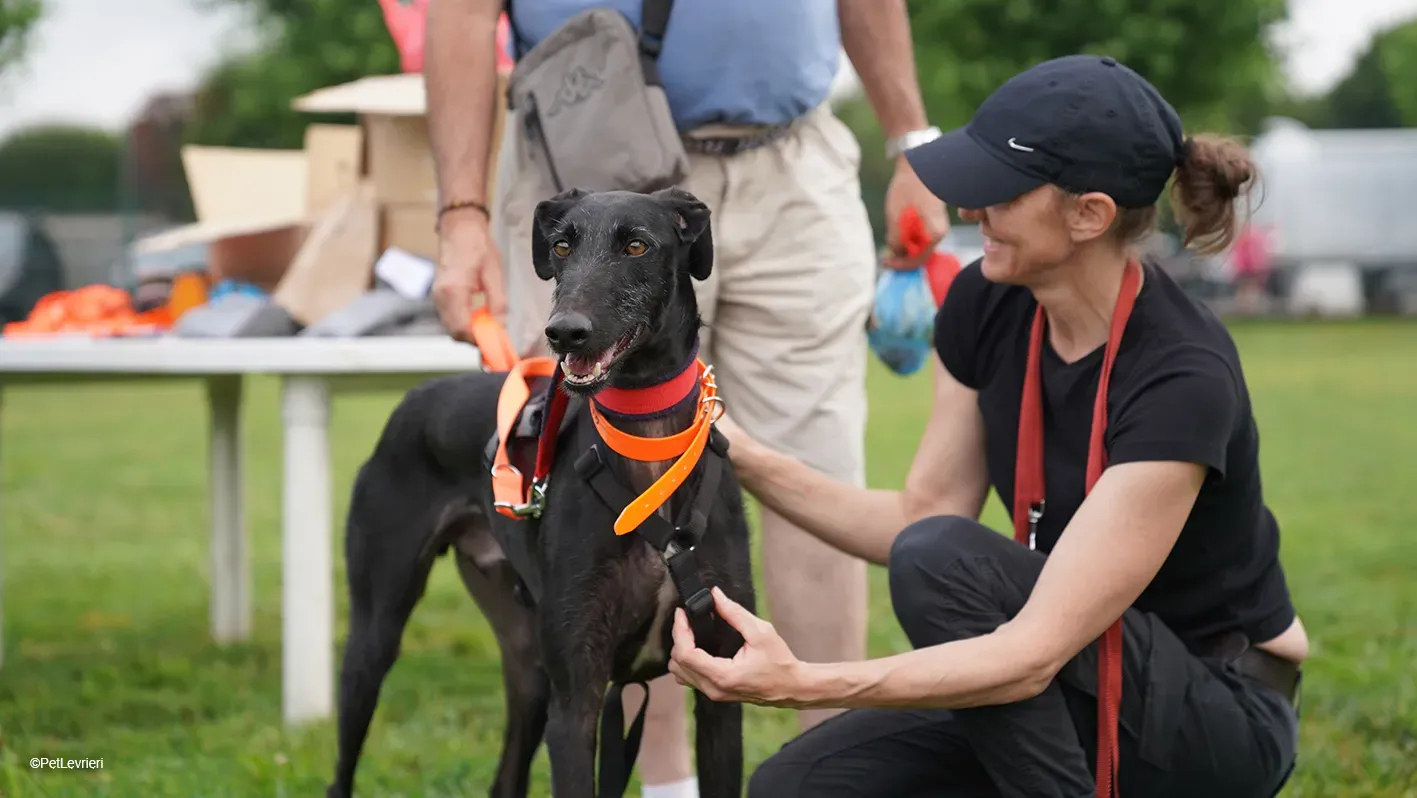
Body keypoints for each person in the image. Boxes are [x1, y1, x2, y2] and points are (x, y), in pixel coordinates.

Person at [668, 54, 1309, 797]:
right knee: (803, 783)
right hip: (1068, 686)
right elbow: (920, 515)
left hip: (1214, 714)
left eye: (997, 191)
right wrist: (727, 449)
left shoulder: (1182, 375)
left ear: (1088, 214)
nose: (972, 211)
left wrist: (802, 681)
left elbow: (1029, 649)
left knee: (940, 560)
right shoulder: (989, 300)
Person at [422, 2, 948, 795]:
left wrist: (912, 143)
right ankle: (667, 789)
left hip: (792, 163)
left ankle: (836, 775)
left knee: (816, 479)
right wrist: (459, 215)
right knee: (612, 504)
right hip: (590, 160)